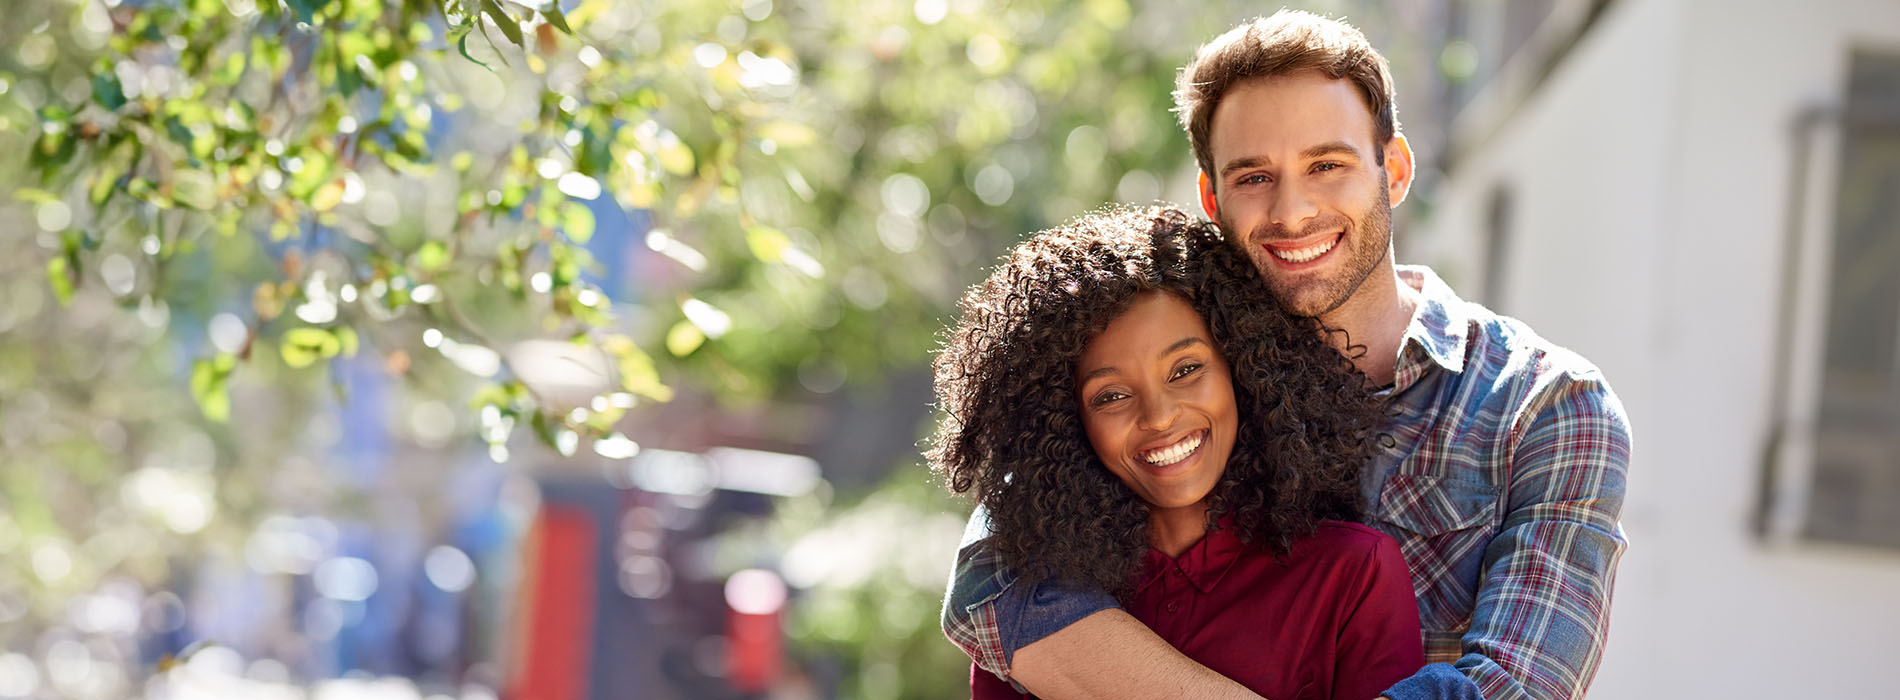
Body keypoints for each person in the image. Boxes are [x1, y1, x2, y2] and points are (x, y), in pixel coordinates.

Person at [941, 10, 1631, 700]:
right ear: (1213, 198)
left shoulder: (1544, 405)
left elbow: (1515, 687)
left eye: (1326, 164)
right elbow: (994, 576)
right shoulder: (1188, 376)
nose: (1293, 210)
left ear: (1393, 169)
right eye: (1253, 177)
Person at [930, 204, 1424, 700]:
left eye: (1186, 369)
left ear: (1242, 366)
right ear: (1063, 423)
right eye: (1111, 396)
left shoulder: (1355, 573)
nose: (1159, 416)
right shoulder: (1032, 609)